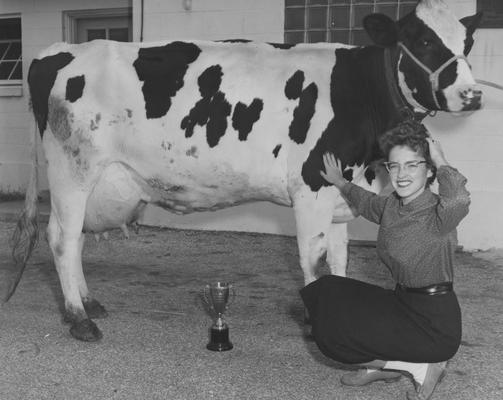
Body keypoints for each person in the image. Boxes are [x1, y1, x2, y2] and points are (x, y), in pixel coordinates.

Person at [300, 120, 470, 400]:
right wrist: (339, 181)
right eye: (395, 166)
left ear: (429, 171)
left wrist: (441, 160)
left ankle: (418, 367)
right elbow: (366, 202)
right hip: (402, 302)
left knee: (336, 339)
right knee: (327, 291)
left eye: (412, 165)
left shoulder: (440, 214)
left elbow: (459, 200)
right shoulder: (392, 205)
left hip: (433, 323)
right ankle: (379, 364)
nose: (401, 174)